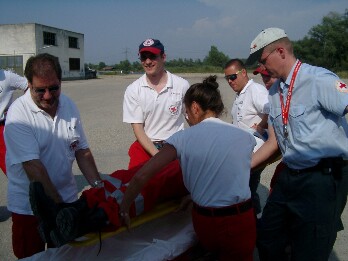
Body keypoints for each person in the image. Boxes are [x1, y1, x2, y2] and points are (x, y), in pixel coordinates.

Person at [120, 76, 257, 261]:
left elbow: (141, 176)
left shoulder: (182, 139)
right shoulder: (245, 137)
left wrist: (124, 208)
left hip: (206, 222)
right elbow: (226, 174)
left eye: (186, 113)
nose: (187, 119)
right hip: (241, 220)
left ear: (195, 108)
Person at [246, 27, 348, 261]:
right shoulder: (274, 93)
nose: (262, 68)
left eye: (263, 60)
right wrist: (242, 167)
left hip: (322, 179)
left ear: (280, 51)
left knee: (310, 249)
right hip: (290, 176)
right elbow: (273, 143)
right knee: (268, 238)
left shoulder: (318, 79)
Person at [4, 53, 103, 259]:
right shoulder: (18, 116)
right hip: (30, 210)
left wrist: (98, 188)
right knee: (32, 257)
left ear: (60, 81)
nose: (48, 95)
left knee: (66, 256)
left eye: (54, 88)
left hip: (66, 200)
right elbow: (34, 168)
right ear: (28, 85)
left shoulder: (68, 105)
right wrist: (60, 211)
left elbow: (82, 151)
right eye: (40, 90)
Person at [123, 38, 189, 169]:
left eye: (152, 56)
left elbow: (191, 118)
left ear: (163, 57)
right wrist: (158, 157)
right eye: (143, 57)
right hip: (148, 148)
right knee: (139, 184)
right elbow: (138, 129)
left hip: (176, 147)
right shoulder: (133, 89)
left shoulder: (182, 85)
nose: (147, 62)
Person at [224, 59, 269, 215]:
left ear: (243, 73)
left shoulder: (255, 90)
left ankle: (253, 223)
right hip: (243, 150)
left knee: (246, 189)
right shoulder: (240, 94)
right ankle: (252, 221)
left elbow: (272, 110)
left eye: (233, 77)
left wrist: (262, 125)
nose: (230, 81)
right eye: (227, 78)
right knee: (246, 189)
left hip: (254, 150)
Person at [0, 69, 28, 174]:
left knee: (11, 168)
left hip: (2, 130)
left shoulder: (7, 77)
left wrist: (19, 108)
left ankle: (28, 188)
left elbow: (28, 86)